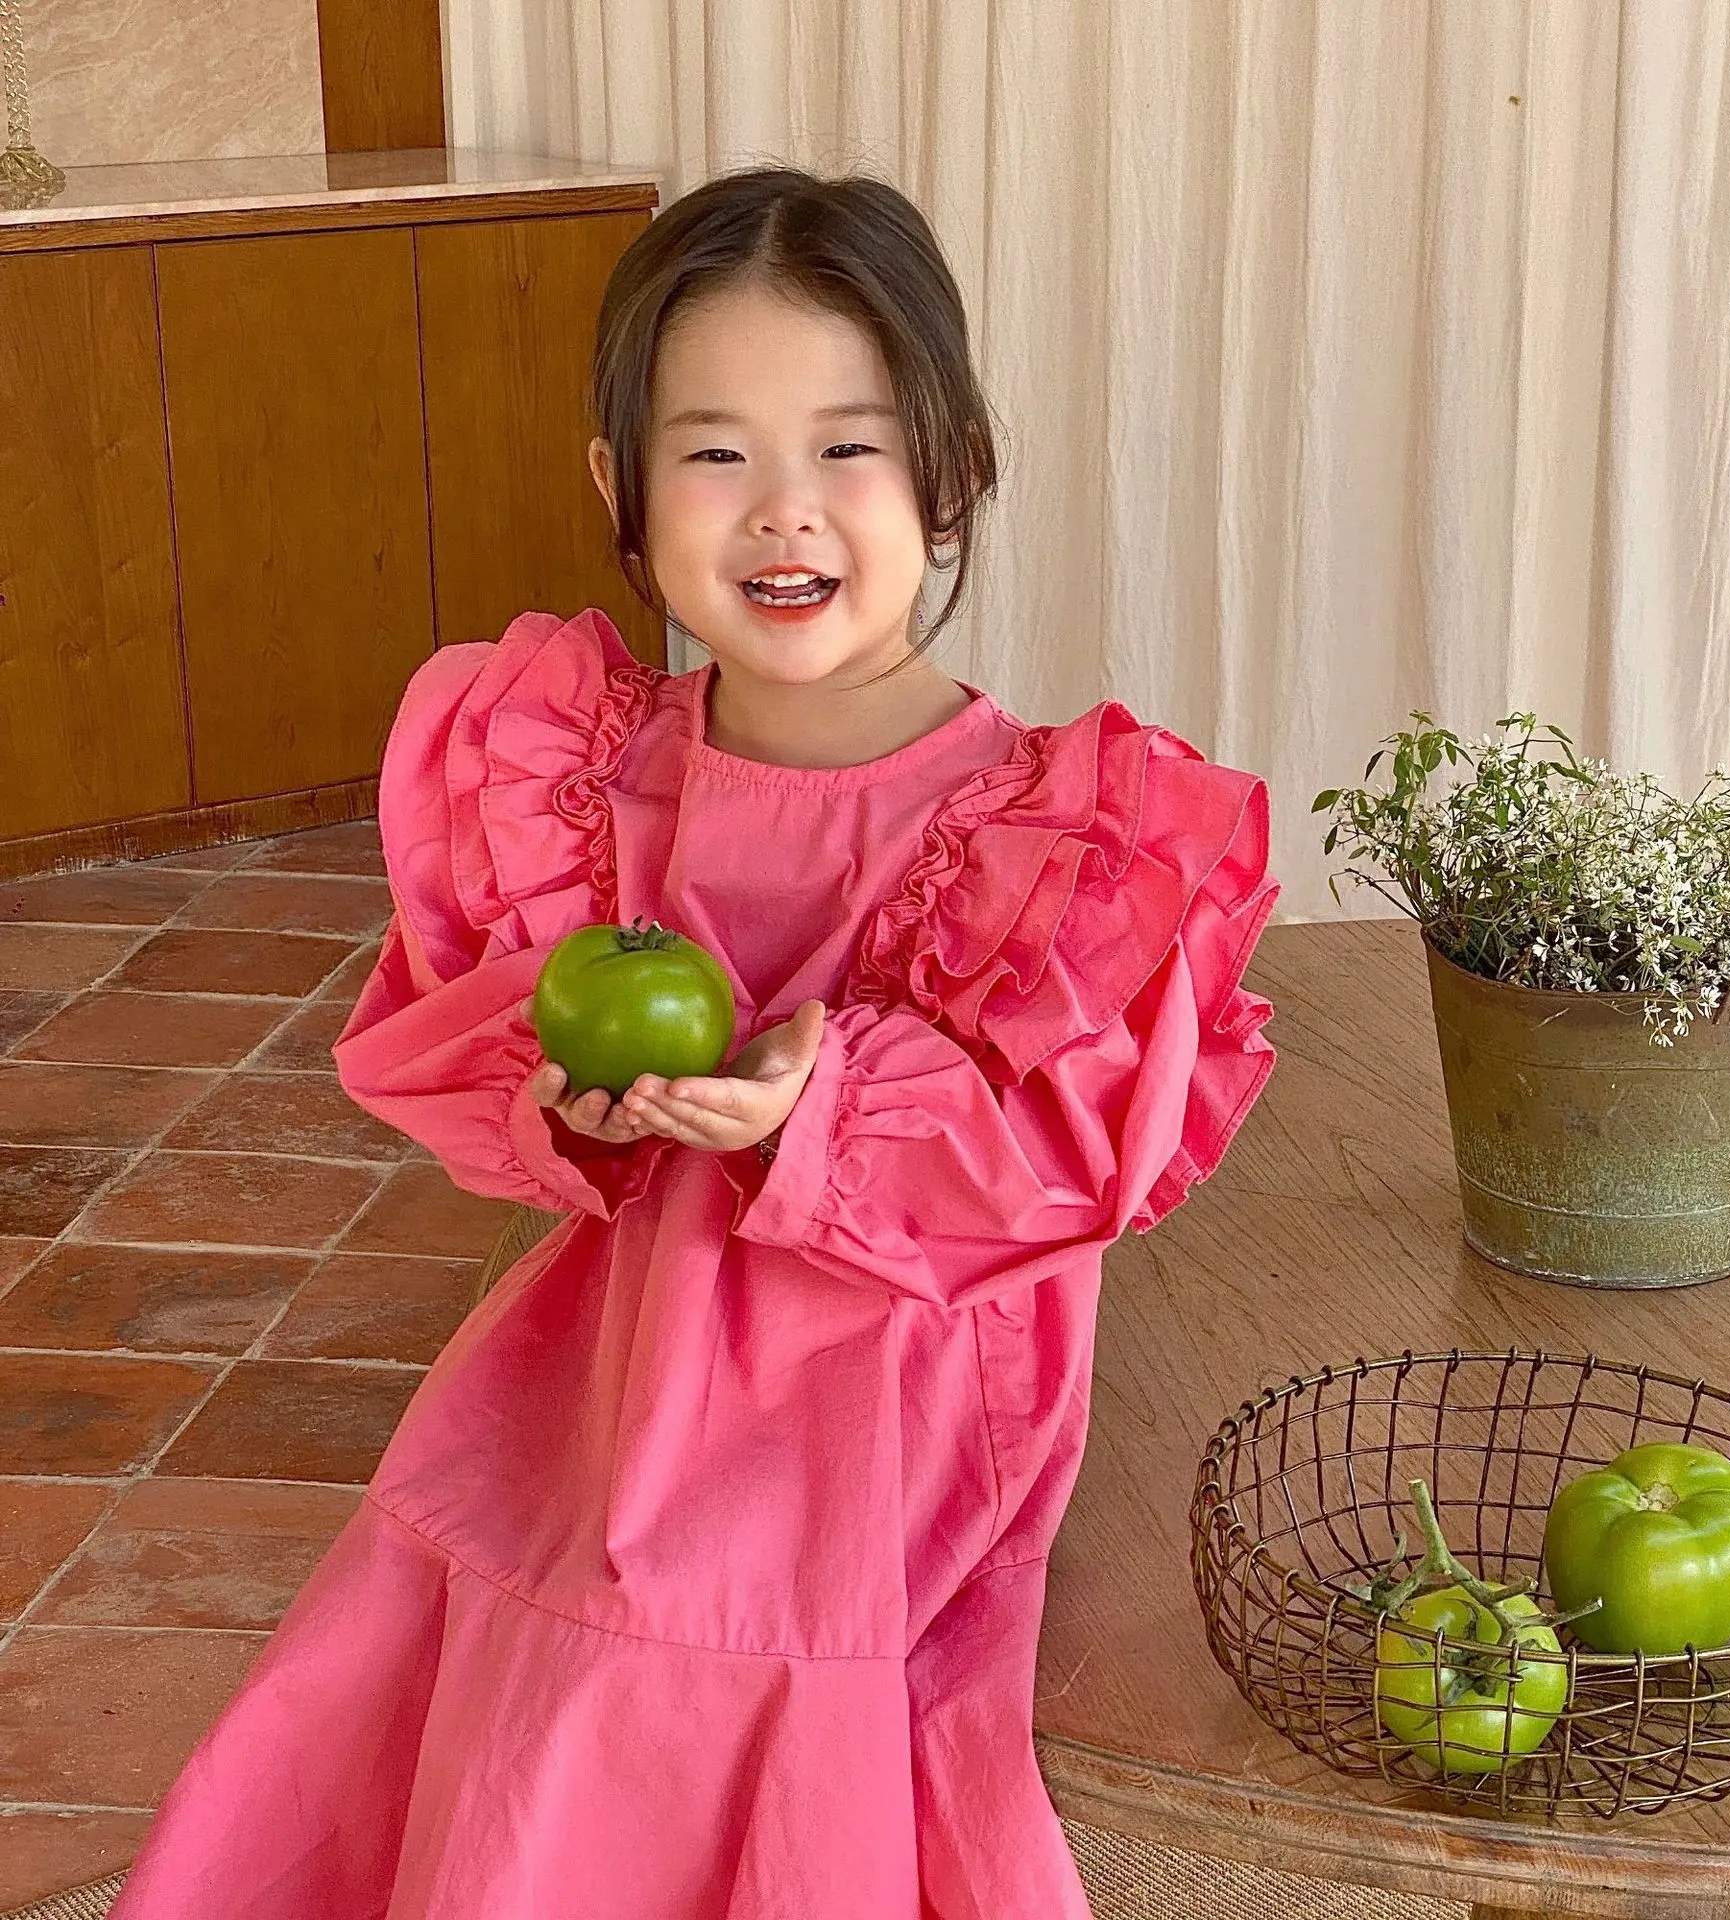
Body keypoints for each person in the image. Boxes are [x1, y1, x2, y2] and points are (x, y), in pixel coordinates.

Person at [109, 165, 1280, 1919]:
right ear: (622, 489)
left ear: (953, 466)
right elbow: (465, 1042)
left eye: (849, 447)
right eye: (716, 451)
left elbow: (1073, 1152)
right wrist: (568, 1110)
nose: (783, 510)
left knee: (709, 1690)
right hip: (602, 1373)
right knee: (506, 1683)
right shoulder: (574, 775)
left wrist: (834, 1101)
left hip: (878, 1401)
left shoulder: (1054, 836)